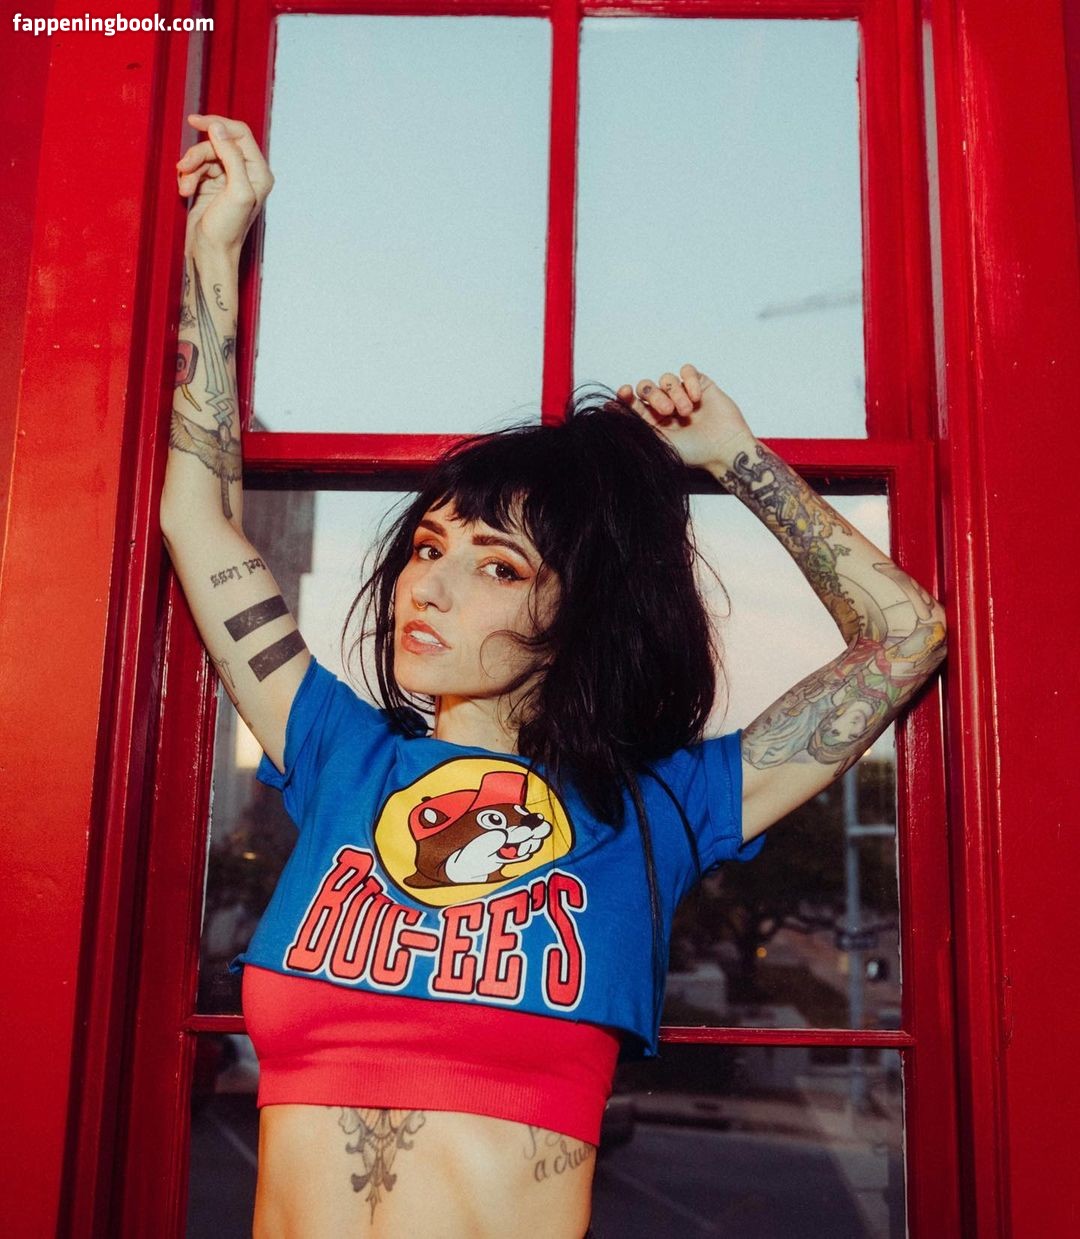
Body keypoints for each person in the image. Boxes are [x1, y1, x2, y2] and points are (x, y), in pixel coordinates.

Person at [164, 114, 948, 1239]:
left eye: (498, 565)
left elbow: (906, 635)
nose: (428, 587)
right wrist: (214, 245)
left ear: (580, 612)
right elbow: (197, 516)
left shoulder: (658, 812)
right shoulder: (338, 753)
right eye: (428, 547)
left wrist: (736, 459)